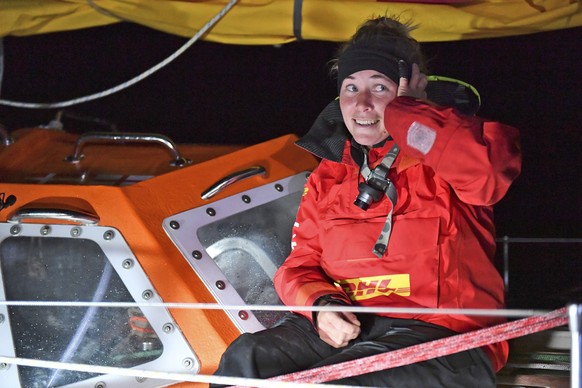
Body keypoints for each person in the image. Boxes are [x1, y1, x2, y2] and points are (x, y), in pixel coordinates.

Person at [212, 15, 521, 387]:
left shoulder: (451, 150)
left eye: (379, 87)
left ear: (411, 90)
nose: (361, 104)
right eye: (350, 88)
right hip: (355, 329)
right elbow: (299, 266)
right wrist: (322, 306)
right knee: (248, 360)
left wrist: (408, 113)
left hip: (447, 335)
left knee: (347, 380)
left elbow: (486, 176)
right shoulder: (329, 175)